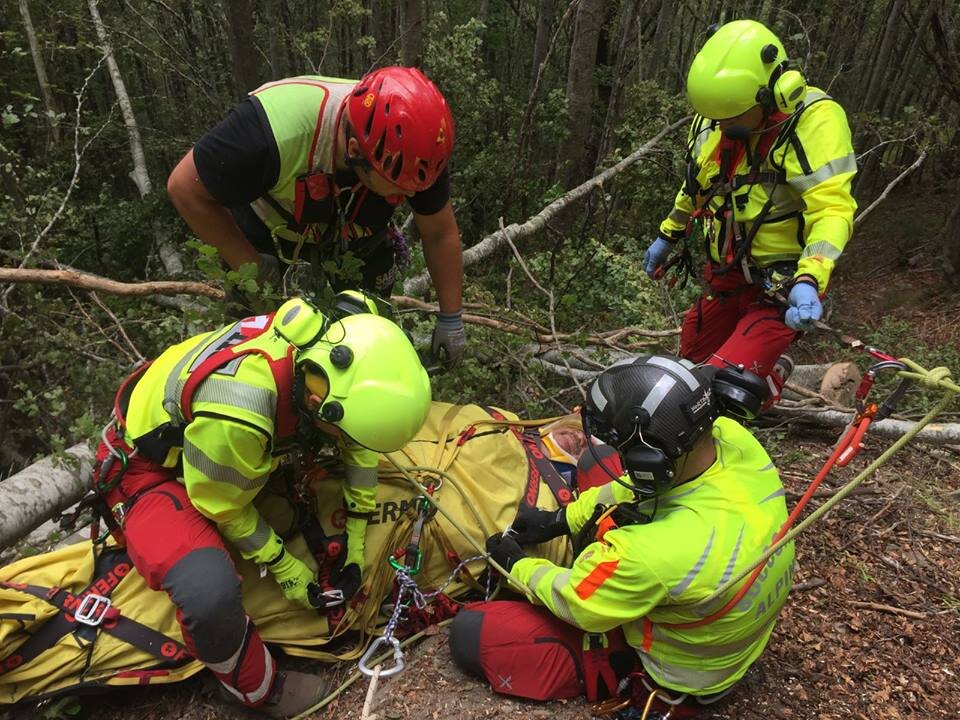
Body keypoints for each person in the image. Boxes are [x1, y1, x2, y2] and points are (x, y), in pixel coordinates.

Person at [89, 295, 431, 717]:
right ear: (313, 401)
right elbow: (222, 504)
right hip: (148, 467)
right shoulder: (240, 411)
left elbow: (355, 443)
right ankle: (255, 689)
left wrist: (357, 533)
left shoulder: (348, 336)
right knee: (207, 593)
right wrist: (282, 565)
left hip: (204, 431)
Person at [450, 355, 795, 717]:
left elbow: (576, 601)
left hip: (681, 673)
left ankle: (617, 668)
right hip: (724, 630)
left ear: (651, 463)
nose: (626, 462)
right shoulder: (732, 441)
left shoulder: (652, 554)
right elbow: (633, 486)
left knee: (472, 634)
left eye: (631, 454)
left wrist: (517, 565)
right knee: (593, 467)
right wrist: (561, 519)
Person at [167, 66, 467, 364]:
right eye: (396, 192)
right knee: (263, 356)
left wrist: (452, 318)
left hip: (354, 232)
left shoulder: (418, 152)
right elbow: (184, 188)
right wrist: (250, 265)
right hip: (268, 225)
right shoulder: (268, 132)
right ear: (354, 150)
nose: (405, 200)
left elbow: (439, 232)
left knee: (366, 348)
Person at [644, 19, 857, 405]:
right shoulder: (715, 116)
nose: (722, 125)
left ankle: (767, 381)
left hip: (780, 286)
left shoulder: (812, 123)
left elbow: (832, 208)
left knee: (724, 390)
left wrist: (810, 278)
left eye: (731, 117)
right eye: (716, 117)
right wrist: (668, 233)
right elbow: (698, 186)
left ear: (773, 94)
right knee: (688, 364)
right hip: (726, 277)